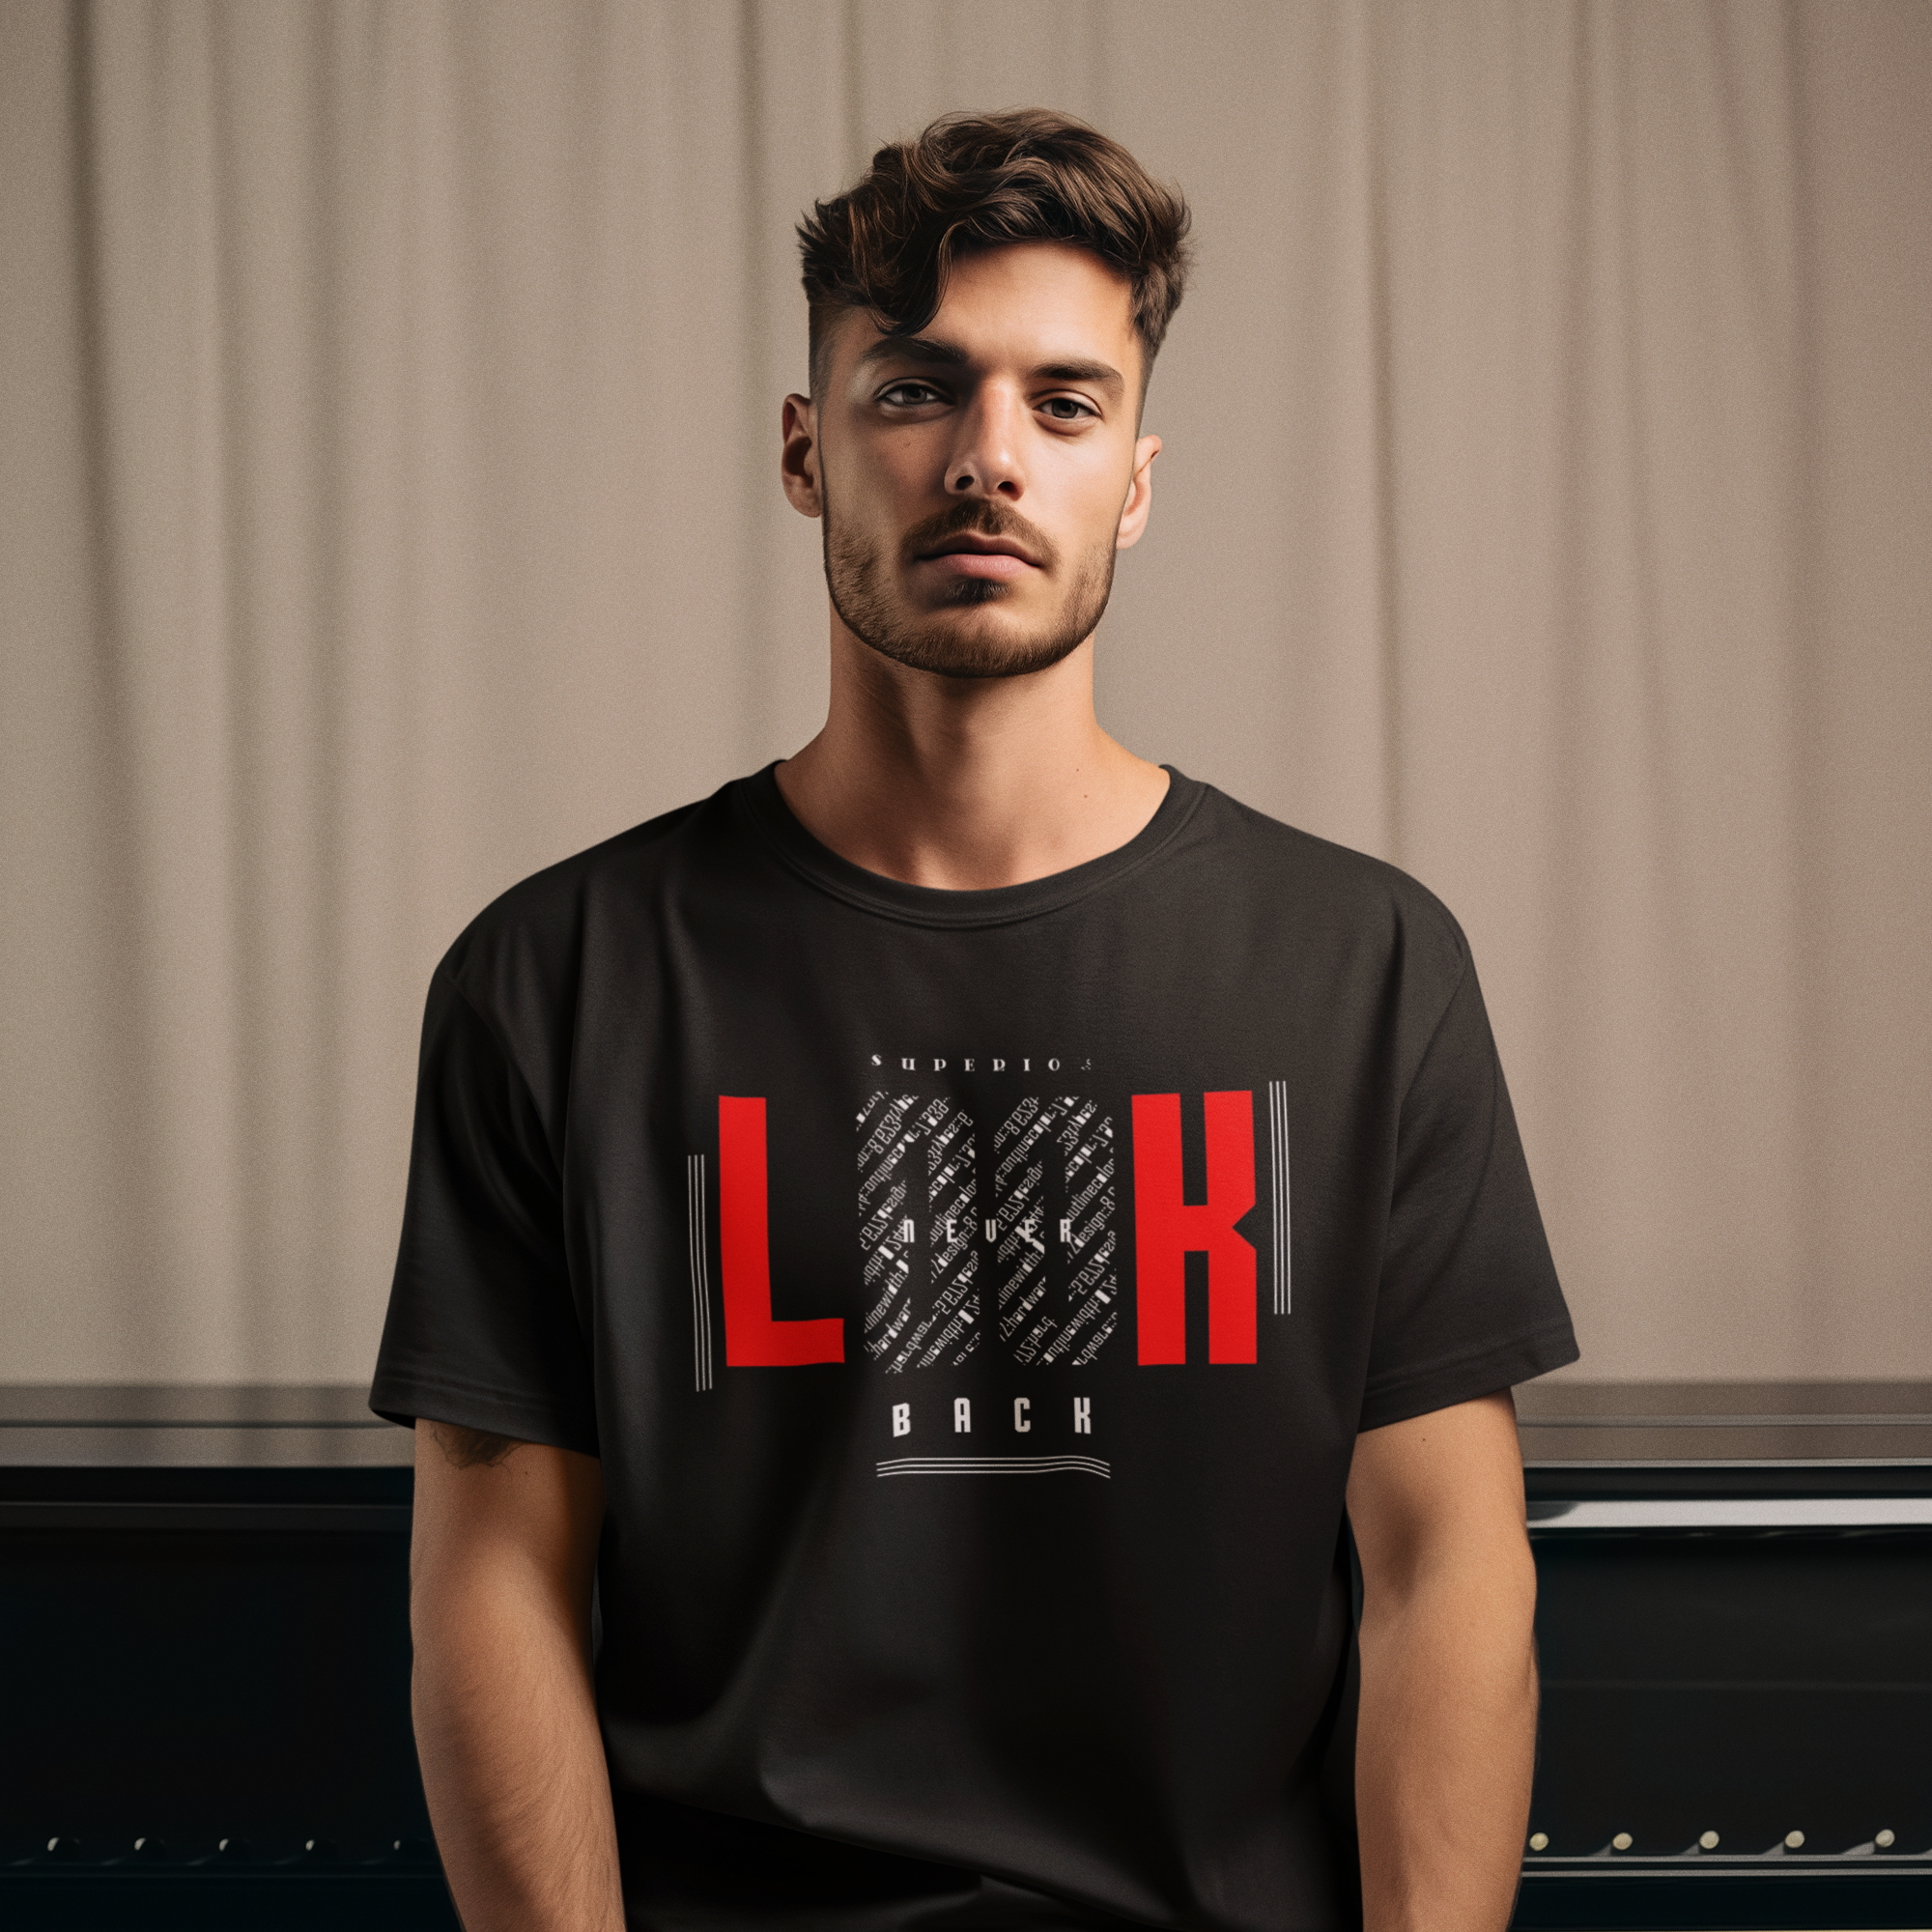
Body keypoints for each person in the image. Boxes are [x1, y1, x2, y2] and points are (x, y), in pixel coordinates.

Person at [372, 108, 1577, 1932]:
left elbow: (1446, 1571)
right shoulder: (555, 980)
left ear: (1140, 478)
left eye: (1065, 404)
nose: (989, 461)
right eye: (916, 389)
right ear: (806, 449)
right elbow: (494, 1592)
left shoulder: (1367, 965)